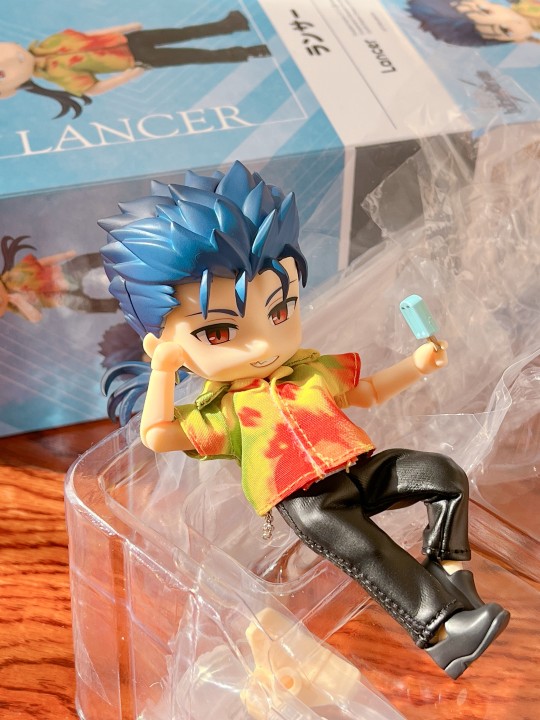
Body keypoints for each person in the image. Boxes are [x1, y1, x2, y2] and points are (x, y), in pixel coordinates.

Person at [99, 160, 509, 680]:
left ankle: (450, 570)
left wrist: (417, 365)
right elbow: (158, 435)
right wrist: (161, 372)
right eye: (219, 333)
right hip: (308, 503)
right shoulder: (225, 410)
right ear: (165, 343)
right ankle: (446, 635)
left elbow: (367, 392)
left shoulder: (310, 371)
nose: (263, 344)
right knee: (372, 552)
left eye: (279, 310)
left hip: (356, 472)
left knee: (440, 473)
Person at [0, 12, 269, 117]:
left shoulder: (49, 42)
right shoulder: (56, 75)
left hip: (130, 39)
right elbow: (93, 88)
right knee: (193, 54)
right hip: (135, 59)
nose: (8, 58)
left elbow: (89, 35)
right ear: (10, 90)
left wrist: (123, 27)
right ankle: (248, 52)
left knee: (182, 33)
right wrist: (129, 75)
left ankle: (229, 25)